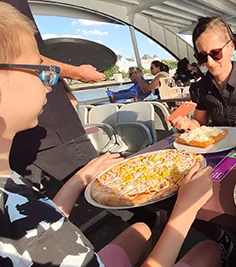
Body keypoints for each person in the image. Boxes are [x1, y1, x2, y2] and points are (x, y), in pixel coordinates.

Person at [0, 4, 221, 267]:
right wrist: (185, 211)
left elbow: (39, 225)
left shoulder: (10, 182)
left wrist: (79, 179)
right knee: (208, 250)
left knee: (142, 230)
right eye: (39, 69)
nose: (50, 84)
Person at [6, 0, 101, 188]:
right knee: (100, 199)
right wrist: (78, 73)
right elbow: (20, 56)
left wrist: (64, 88)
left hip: (34, 135)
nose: (47, 87)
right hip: (50, 131)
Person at [171, 16, 236, 139]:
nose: (210, 62)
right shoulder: (200, 88)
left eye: (216, 53)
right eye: (202, 56)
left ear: (231, 47)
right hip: (219, 152)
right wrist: (187, 123)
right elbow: (200, 123)